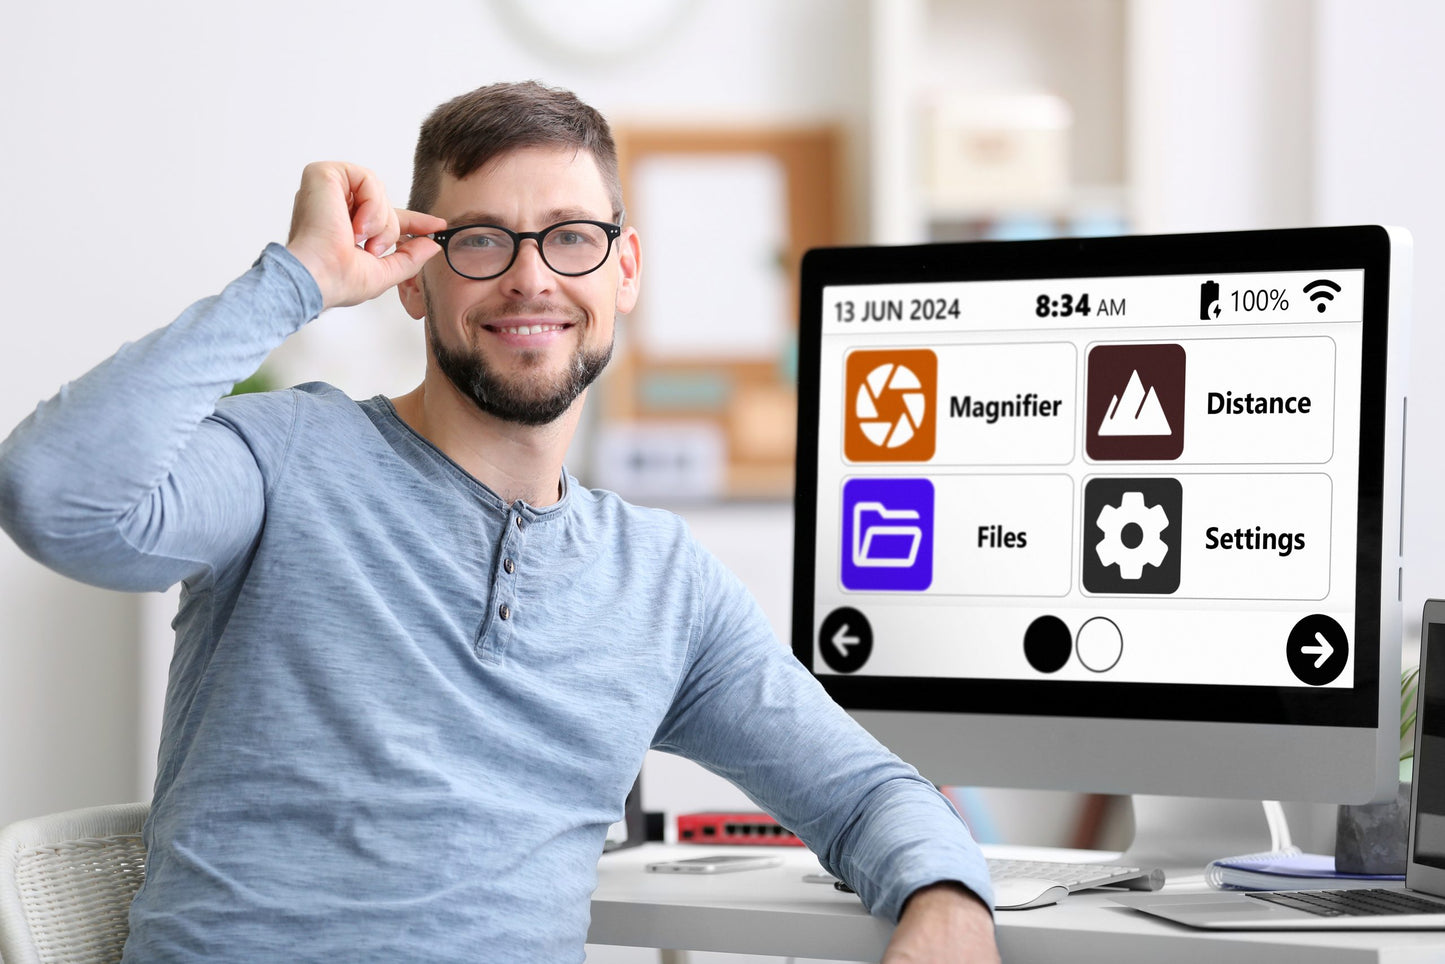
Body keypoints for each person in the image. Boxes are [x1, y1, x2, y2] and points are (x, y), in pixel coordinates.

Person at [0, 81, 998, 962]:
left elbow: (868, 791)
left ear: (624, 269)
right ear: (414, 274)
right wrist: (296, 278)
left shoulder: (661, 584)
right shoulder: (279, 460)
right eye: (479, 240)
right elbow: (51, 493)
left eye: (570, 236)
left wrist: (947, 900)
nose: (531, 278)